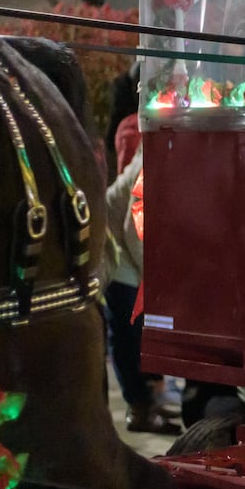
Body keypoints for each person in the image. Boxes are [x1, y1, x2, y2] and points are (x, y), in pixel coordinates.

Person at [104, 116, 179, 434]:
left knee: (134, 339)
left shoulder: (158, 150)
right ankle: (139, 410)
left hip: (129, 259)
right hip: (121, 261)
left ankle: (147, 405)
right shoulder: (153, 162)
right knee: (128, 338)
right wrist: (157, 280)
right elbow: (134, 232)